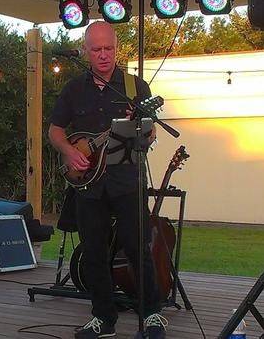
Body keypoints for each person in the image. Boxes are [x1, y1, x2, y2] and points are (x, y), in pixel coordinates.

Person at [48, 21, 167, 339]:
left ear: (117, 48)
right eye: (97, 49)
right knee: (93, 252)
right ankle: (103, 318)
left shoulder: (134, 86)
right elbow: (55, 130)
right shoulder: (74, 88)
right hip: (88, 183)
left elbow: (150, 133)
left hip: (126, 179)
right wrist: (69, 152)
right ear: (86, 51)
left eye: (109, 48)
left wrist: (144, 128)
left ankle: (152, 314)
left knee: (137, 248)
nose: (103, 55)